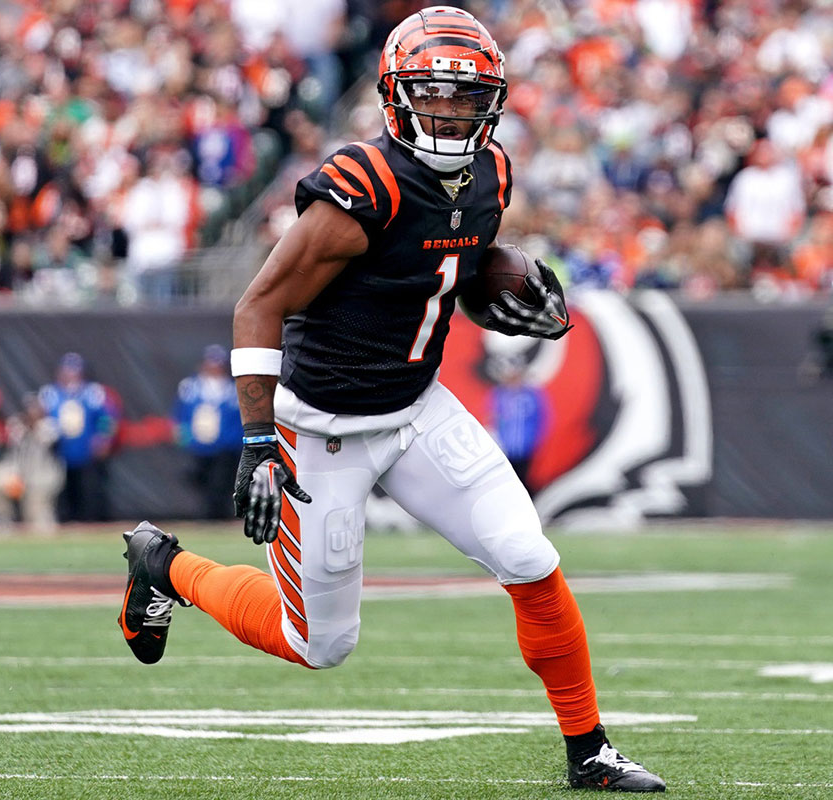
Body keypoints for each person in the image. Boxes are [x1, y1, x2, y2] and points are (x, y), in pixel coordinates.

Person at [118, 8, 665, 793]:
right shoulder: (359, 189)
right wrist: (258, 439)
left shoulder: (492, 174)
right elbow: (258, 304)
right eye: (433, 95)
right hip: (321, 429)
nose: (450, 112)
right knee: (320, 644)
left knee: (527, 555)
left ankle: (590, 751)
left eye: (466, 97)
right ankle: (165, 565)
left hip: (414, 410)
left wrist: (502, 285)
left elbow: (448, 264)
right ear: (397, 97)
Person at [38, 353, 116, 522]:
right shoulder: (50, 393)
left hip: (86, 449)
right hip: (58, 451)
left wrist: (103, 439)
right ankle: (65, 521)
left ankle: (89, 522)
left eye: (74, 370)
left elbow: (106, 418)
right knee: (60, 489)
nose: (70, 374)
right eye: (67, 370)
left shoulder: (93, 392)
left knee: (89, 488)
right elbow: (39, 417)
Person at [173, 345, 243, 520]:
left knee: (221, 482)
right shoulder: (190, 386)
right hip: (198, 445)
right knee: (199, 479)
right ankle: (207, 515)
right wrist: (184, 435)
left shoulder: (233, 388)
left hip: (226, 445)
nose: (215, 368)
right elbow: (180, 414)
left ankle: (218, 517)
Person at [0, 392, 64, 532]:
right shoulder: (17, 423)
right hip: (16, 471)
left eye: (35, 408)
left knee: (38, 523)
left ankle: (42, 520)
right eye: (30, 408)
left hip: (42, 476)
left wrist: (32, 424)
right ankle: (3, 519)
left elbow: (46, 439)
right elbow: (10, 439)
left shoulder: (51, 425)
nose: (32, 411)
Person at [488, 358, 549, 491]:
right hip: (505, 448)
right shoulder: (499, 394)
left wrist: (535, 442)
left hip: (526, 448)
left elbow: (542, 419)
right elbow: (493, 419)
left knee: (524, 480)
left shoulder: (532, 395)